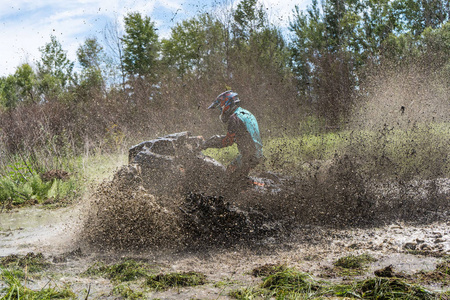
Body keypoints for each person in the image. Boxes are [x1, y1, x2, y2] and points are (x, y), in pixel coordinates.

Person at [201, 90, 263, 184]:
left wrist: (207, 143)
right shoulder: (245, 113)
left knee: (228, 180)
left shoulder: (234, 118)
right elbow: (241, 136)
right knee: (235, 175)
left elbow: (227, 142)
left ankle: (254, 188)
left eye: (220, 108)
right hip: (256, 153)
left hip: (249, 156)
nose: (220, 111)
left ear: (226, 104)